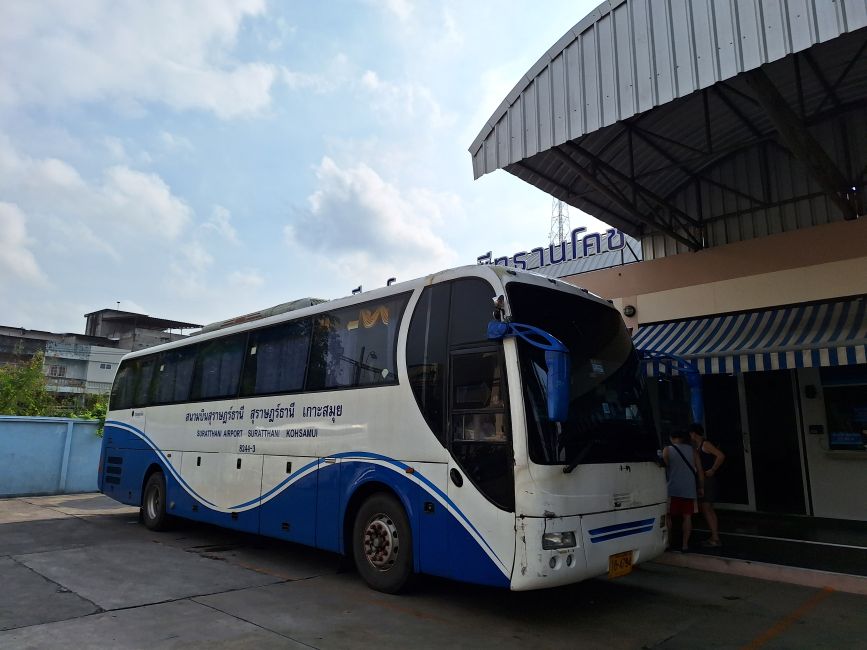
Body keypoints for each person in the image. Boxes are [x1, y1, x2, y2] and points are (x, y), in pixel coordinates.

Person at [663, 430, 704, 552]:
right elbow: (700, 471)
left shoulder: (667, 450)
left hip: (672, 489)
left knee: (668, 517)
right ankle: (685, 545)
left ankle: (668, 543)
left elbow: (664, 467)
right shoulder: (693, 451)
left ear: (671, 437)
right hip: (689, 490)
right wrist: (701, 487)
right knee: (687, 517)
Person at [688, 422, 725, 547]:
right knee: (708, 508)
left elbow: (720, 456)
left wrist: (713, 469)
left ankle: (715, 537)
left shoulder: (705, 444)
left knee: (706, 508)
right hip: (704, 478)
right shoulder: (697, 446)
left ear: (694, 433)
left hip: (707, 479)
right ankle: (715, 536)